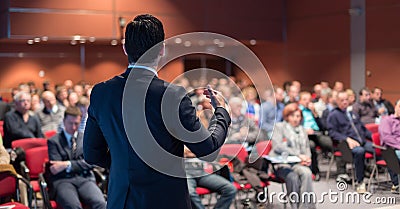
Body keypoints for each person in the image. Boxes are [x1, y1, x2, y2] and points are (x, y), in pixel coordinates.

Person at [83, 14, 231, 209]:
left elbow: (92, 154)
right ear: (162, 50)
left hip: (122, 200)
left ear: (125, 48)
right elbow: (208, 149)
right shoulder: (172, 95)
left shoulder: (101, 93)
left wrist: (125, 165)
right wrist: (221, 112)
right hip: (166, 200)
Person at [48, 107, 106, 209]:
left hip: (85, 178)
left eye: (77, 123)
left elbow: (90, 163)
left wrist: (67, 164)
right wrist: (80, 164)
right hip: (63, 181)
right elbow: (56, 168)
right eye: (71, 123)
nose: (74, 127)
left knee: (101, 204)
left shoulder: (85, 138)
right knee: (73, 206)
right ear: (64, 121)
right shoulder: (53, 141)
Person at [269, 103, 316, 209]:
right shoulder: (279, 127)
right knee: (293, 177)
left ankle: (305, 206)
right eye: (292, 116)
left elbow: (307, 148)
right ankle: (296, 206)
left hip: (298, 163)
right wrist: (299, 155)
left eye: (298, 116)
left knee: (307, 172)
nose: (295, 119)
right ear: (287, 116)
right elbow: (278, 146)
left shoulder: (302, 130)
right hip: (282, 163)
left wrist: (307, 158)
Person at [327, 91, 374, 193]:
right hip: (346, 145)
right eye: (342, 100)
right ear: (337, 101)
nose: (345, 102)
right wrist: (347, 139)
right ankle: (360, 182)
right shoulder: (333, 115)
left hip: (362, 141)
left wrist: (374, 137)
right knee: (360, 152)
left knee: (382, 149)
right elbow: (332, 132)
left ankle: (395, 181)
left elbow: (363, 128)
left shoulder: (352, 113)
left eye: (346, 100)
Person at [378, 99, 400, 193]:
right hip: (390, 149)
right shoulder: (387, 120)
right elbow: (387, 138)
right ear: (395, 107)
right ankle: (397, 184)